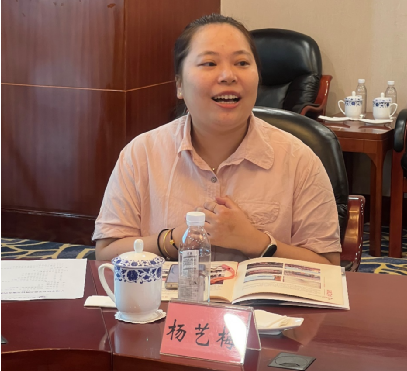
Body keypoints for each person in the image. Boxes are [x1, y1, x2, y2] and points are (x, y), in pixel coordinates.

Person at [94, 14, 341, 265]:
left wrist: (256, 242)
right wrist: (174, 240)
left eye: (242, 63)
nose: (228, 76)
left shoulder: (299, 160)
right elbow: (106, 254)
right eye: (209, 63)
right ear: (179, 85)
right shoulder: (141, 154)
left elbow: (329, 266)